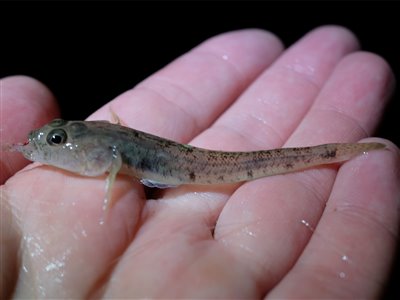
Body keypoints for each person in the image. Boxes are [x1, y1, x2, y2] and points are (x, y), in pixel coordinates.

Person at [1, 26, 398, 298]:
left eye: (57, 138)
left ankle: (346, 152)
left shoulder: (108, 153)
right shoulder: (98, 151)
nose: (44, 144)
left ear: (109, 158)